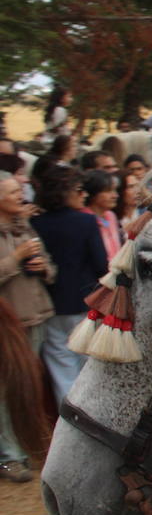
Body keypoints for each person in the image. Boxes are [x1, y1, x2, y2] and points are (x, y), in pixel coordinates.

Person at [31, 167, 107, 401]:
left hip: (50, 302)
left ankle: (67, 410)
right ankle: (90, 408)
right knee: (88, 360)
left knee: (60, 361)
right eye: (78, 190)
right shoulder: (85, 221)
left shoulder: (35, 222)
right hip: (85, 299)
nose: (83, 194)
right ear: (65, 193)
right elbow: (100, 263)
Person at [0, 172, 54, 482]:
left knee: (30, 388)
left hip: (37, 316)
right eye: (11, 193)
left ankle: (26, 447)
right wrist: (14, 259)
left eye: (20, 190)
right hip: (8, 327)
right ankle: (9, 456)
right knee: (6, 391)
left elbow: (51, 268)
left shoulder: (26, 228)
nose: (20, 196)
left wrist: (43, 267)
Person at [80, 170, 124, 262]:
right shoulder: (83, 219)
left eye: (115, 190)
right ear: (93, 193)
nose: (115, 195)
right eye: (108, 191)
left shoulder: (111, 216)